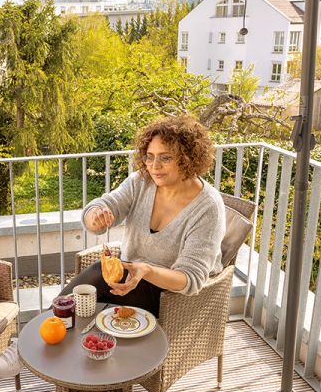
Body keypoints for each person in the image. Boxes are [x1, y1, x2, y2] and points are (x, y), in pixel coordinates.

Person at [59, 115, 227, 317]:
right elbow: (105, 206)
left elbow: (190, 278)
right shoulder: (142, 182)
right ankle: (52, 326)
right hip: (131, 276)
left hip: (169, 295)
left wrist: (147, 271)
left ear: (188, 159)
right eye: (150, 156)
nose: (154, 166)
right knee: (81, 295)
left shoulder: (208, 208)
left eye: (165, 158)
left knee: (91, 310)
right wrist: (96, 215)